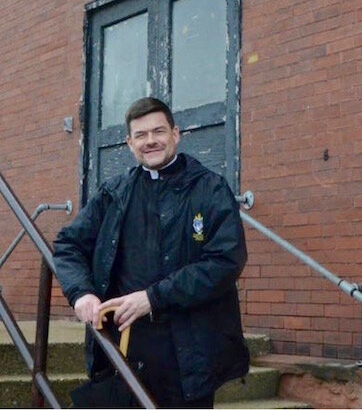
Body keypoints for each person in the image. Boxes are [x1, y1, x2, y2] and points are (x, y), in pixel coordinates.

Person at [53, 97, 249, 408]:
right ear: (129, 143)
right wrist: (81, 293)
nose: (151, 141)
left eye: (158, 131)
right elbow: (68, 245)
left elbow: (226, 261)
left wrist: (152, 298)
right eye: (141, 135)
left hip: (187, 353)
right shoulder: (113, 193)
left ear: (176, 133)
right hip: (124, 349)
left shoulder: (210, 189)